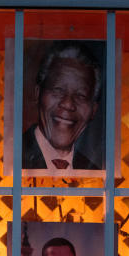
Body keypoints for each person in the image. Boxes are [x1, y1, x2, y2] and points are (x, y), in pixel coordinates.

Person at [22, 41, 102, 171]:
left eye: (81, 96)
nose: (68, 104)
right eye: (58, 90)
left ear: (94, 110)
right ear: (38, 93)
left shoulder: (95, 173)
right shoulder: (10, 158)